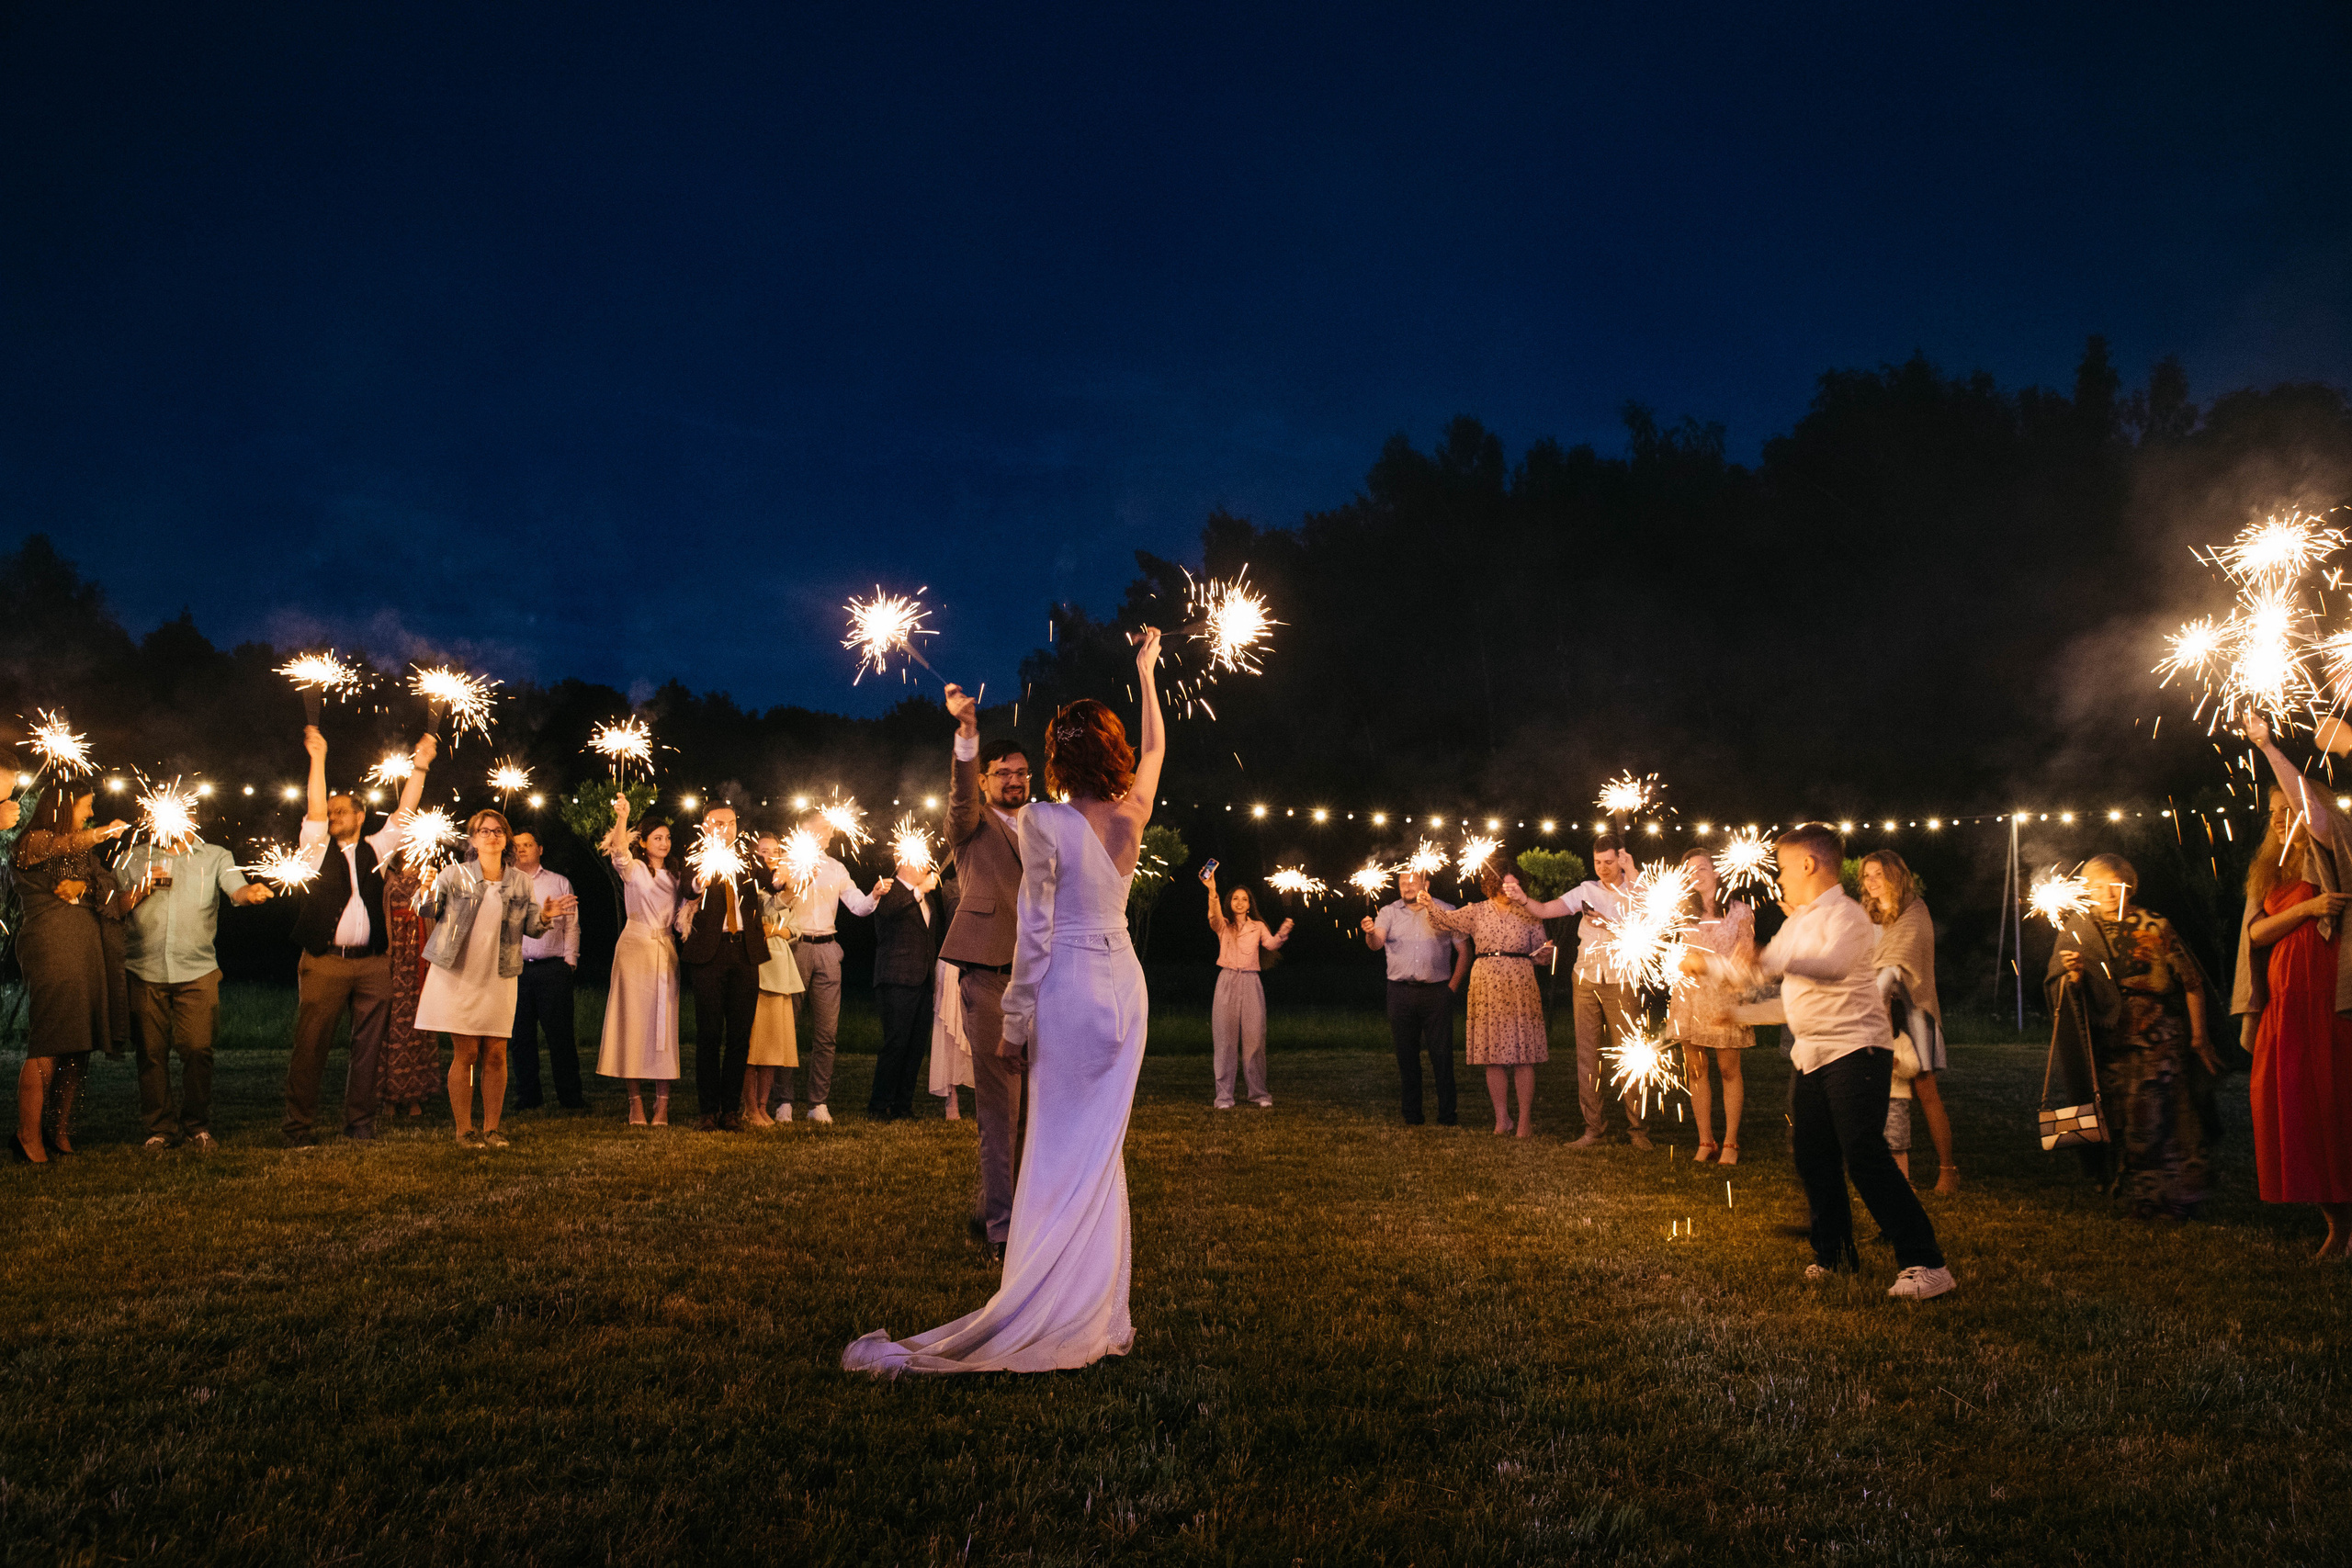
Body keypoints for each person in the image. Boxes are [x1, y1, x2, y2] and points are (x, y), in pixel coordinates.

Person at [843, 626, 1166, 1374]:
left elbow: (1038, 932)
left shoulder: (1048, 822)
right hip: (1127, 987)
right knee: (1101, 1148)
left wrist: (1016, 1021)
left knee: (1056, 1144)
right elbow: (1154, 752)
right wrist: (1146, 672)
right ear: (1110, 755)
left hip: (1070, 989)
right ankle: (1099, 1305)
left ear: (1059, 759)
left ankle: (1049, 1294)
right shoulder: (1133, 812)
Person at [1685, 822, 1953, 1299]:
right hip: (1811, 1058)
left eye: (1785, 867)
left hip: (1857, 1053)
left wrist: (1770, 961)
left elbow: (1826, 967)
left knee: (1865, 1156)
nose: (1780, 878)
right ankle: (1835, 1256)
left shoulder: (1846, 917)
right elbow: (1767, 976)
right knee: (1814, 1159)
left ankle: (1926, 1263)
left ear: (1808, 863)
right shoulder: (1796, 923)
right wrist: (1716, 974)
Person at [2231, 713, 2352, 1258]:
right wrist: (2308, 909)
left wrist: (2265, 745)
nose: (2281, 820)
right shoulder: (2268, 874)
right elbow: (2254, 935)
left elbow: (2308, 807)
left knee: (2337, 1104)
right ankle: (2336, 1224)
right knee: (2297, 1107)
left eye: (2289, 810)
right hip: (2287, 1002)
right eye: (2274, 814)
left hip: (2329, 997)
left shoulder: (2333, 853)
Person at [2046, 853, 2216, 1220]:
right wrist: (2071, 977)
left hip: (2157, 1039)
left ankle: (2166, 1199)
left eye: (2116, 884)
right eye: (2098, 886)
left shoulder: (2155, 925)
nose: (2108, 893)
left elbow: (2191, 982)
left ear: (2130, 885)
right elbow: (2062, 988)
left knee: (2156, 1117)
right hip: (2108, 1043)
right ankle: (2133, 1192)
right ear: (2084, 890)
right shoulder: (2079, 930)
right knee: (2118, 1118)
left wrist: (2199, 1037)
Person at [287, 725, 433, 1146]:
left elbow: (405, 810)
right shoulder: (315, 848)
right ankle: (298, 1127)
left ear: (360, 815)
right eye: (329, 814)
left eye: (341, 812)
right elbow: (314, 808)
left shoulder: (377, 847)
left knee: (369, 1048)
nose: (332, 818)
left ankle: (360, 1124)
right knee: (311, 1045)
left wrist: (419, 766)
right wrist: (318, 757)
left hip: (372, 963)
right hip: (325, 961)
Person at [413, 808, 575, 1147]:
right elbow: (427, 910)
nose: (492, 835)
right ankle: (464, 1130)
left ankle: (491, 1128)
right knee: (467, 1053)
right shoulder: (453, 875)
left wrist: (545, 916)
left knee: (497, 1054)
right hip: (460, 972)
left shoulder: (519, 880)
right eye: (484, 831)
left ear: (507, 839)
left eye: (499, 830)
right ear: (472, 840)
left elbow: (530, 926)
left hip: (500, 973)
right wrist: (425, 889)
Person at [118, 809, 273, 1152]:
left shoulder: (216, 855)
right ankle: (160, 1129)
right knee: (151, 1052)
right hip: (144, 968)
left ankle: (197, 1126)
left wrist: (252, 893)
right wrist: (141, 888)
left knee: (198, 1047)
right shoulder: (136, 855)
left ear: (192, 820)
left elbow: (237, 890)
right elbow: (115, 906)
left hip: (197, 969)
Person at [940, 691, 1035, 1252]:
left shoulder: (1044, 826)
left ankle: (1000, 1210)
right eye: (1003, 774)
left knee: (1035, 1109)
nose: (1015, 781)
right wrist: (968, 733)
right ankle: (1003, 1233)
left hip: (1044, 979)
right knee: (999, 1113)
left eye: (1022, 773)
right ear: (985, 780)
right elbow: (957, 797)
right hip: (991, 976)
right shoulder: (971, 824)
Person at [1506, 834, 1650, 1148]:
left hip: (1622, 978)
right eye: (1598, 862)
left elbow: (1650, 917)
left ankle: (1637, 1130)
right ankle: (1593, 1129)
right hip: (1585, 977)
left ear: (1621, 859)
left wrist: (1633, 874)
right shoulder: (1586, 891)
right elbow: (1544, 910)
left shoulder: (1636, 888)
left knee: (1629, 1053)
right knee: (1587, 1056)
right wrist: (1521, 898)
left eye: (1609, 862)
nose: (1603, 868)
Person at [10, 787, 130, 1164]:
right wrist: (103, 832)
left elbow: (108, 887)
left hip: (86, 949)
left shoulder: (83, 852)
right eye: (87, 806)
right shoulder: (32, 842)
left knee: (78, 1042)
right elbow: (57, 848)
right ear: (64, 806)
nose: (91, 813)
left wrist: (90, 884)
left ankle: (58, 1130)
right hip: (51, 946)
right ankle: (27, 1134)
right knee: (49, 1038)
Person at [1416, 859, 1550, 1136]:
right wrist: (1429, 904)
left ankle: (1524, 1120)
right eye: (1504, 883)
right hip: (1486, 983)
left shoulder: (1530, 912)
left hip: (1521, 982)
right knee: (1493, 1055)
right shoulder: (1476, 911)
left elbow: (1541, 953)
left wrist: (1545, 954)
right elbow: (1445, 920)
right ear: (1493, 883)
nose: (1508, 888)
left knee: (1524, 1055)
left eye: (1514, 884)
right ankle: (1502, 1119)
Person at [778, 805, 888, 1125]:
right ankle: (784, 1100)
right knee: (787, 1028)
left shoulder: (836, 867)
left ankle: (818, 1103)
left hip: (828, 948)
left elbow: (857, 906)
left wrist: (875, 895)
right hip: (794, 948)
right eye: (822, 828)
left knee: (826, 1032)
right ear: (804, 829)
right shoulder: (787, 863)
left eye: (828, 828)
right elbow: (775, 900)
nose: (828, 833)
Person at [1860, 851, 1959, 1192]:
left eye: (1878, 874)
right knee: (1883, 1091)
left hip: (1913, 1011)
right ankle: (1893, 1171)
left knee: (1925, 1088)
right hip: (1876, 1013)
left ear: (1895, 877)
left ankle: (1948, 1169)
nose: (1871, 882)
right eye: (1867, 876)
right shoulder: (1865, 916)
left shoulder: (1914, 912)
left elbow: (1900, 964)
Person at [676, 804, 778, 1132]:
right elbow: (687, 886)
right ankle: (708, 1110)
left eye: (732, 822)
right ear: (706, 825)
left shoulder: (747, 858)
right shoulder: (696, 855)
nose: (726, 828)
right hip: (710, 954)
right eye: (719, 823)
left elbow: (772, 881)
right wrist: (699, 883)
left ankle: (730, 1111)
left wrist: (783, 875)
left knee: (739, 1037)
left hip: (744, 954)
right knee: (708, 1034)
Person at [1361, 866, 1470, 1124]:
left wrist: (1451, 988)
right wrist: (1369, 933)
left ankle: (1447, 1115)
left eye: (1412, 882)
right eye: (1402, 883)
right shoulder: (1388, 912)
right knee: (1406, 1056)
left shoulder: (1446, 910)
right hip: (1400, 993)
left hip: (1436, 992)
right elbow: (1377, 944)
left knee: (1442, 1056)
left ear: (1426, 885)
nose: (1407, 887)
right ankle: (1412, 1114)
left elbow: (1465, 953)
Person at [597, 796, 682, 1125]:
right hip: (634, 949)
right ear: (644, 842)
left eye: (667, 838)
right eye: (657, 837)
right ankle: (635, 1103)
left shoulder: (677, 874)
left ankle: (662, 1104)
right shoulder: (633, 869)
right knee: (632, 1024)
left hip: (665, 950)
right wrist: (623, 817)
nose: (664, 843)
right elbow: (618, 850)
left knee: (665, 1026)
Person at [1665, 846, 1753, 1164]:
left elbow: (1745, 957)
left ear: (1716, 873)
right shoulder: (1679, 913)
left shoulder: (1739, 911)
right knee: (1696, 1069)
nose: (1695, 874)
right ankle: (1706, 1140)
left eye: (1701, 868)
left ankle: (1730, 1142)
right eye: (1689, 870)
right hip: (1689, 997)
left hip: (1724, 997)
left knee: (1728, 1069)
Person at [504, 829, 584, 1113]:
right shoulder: (504, 882)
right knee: (520, 1037)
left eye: (528, 844)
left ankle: (570, 1097)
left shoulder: (558, 882)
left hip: (553, 969)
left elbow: (572, 924)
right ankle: (528, 1096)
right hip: (516, 970)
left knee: (560, 1036)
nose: (522, 849)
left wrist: (569, 960)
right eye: (517, 845)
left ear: (540, 849)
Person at [870, 852, 953, 1120]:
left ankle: (903, 1104)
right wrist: (917, 891)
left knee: (916, 1045)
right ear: (904, 862)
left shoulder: (927, 898)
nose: (927, 865)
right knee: (896, 1042)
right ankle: (879, 1105)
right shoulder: (888, 889)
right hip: (896, 977)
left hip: (923, 980)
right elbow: (889, 912)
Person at [1203, 874, 1293, 1109]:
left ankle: (1259, 1093)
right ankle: (1223, 1096)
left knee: (1254, 1040)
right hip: (1227, 980)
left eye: (1244, 899)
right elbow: (1213, 917)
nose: (1240, 902)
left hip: (1252, 981)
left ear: (1250, 903)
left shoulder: (1258, 926)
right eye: (1235, 899)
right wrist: (1212, 890)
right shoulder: (1223, 924)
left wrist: (1282, 933)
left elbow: (1271, 944)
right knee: (1224, 1041)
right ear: (1230, 902)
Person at [744, 830, 803, 1129]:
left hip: (782, 971)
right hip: (759, 968)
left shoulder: (787, 887)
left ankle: (764, 1107)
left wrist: (782, 930)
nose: (770, 855)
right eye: (763, 850)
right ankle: (749, 1107)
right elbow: (765, 914)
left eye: (775, 850)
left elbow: (795, 927)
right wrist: (775, 922)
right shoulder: (751, 884)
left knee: (773, 1046)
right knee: (754, 1044)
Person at [379, 852, 438, 1120]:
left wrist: (429, 889)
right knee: (390, 1026)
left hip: (418, 955)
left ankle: (415, 1095)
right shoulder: (384, 877)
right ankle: (388, 1097)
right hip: (394, 957)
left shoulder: (428, 876)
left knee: (418, 1025)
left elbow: (433, 912)